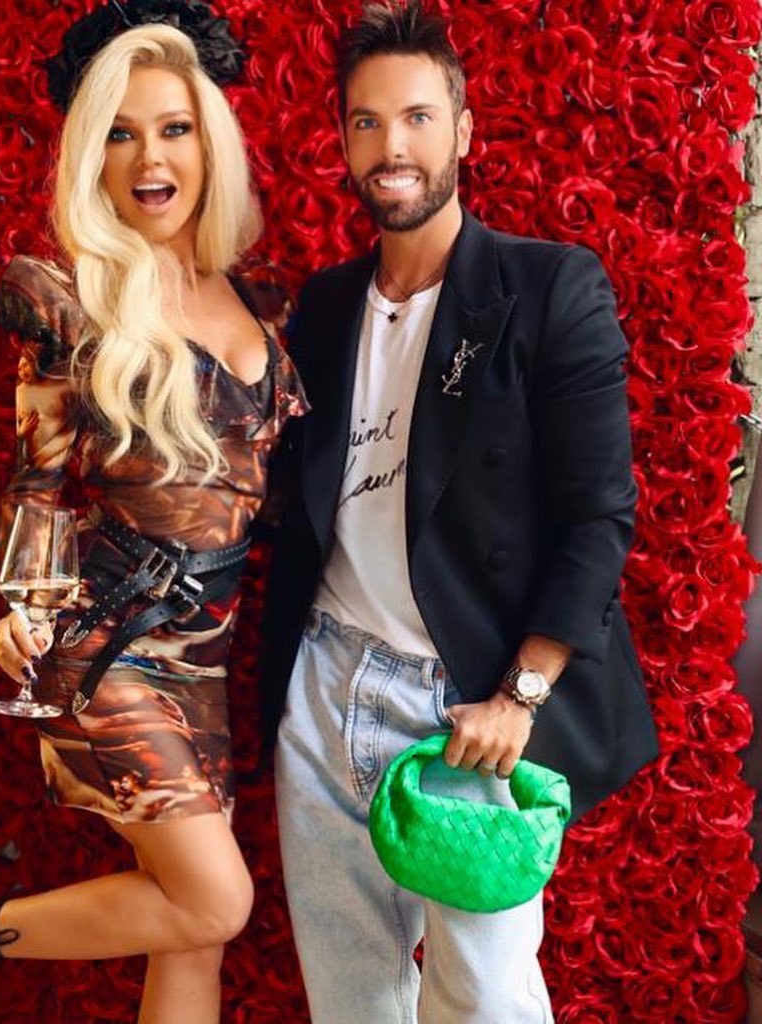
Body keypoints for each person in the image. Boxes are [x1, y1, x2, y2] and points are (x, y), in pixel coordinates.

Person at [0, 6, 307, 1023]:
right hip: (109, 641)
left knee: (191, 933)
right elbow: (38, 482)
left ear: (210, 144)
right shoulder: (68, 300)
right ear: (92, 155)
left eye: (174, 128)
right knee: (216, 900)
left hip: (208, 655)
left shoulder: (263, 302)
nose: (151, 157)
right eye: (121, 133)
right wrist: (26, 607)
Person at [260, 4, 660, 1022]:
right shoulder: (323, 307)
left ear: (463, 131)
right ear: (343, 139)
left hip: (468, 705)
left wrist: (520, 695)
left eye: (417, 118)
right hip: (326, 686)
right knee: (350, 1000)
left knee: (484, 1001)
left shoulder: (547, 288)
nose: (390, 146)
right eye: (366, 122)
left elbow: (600, 517)